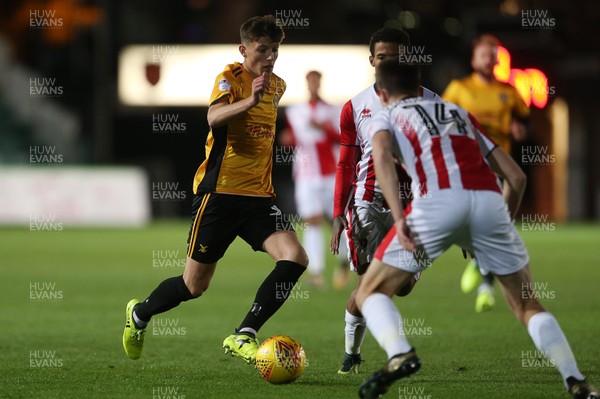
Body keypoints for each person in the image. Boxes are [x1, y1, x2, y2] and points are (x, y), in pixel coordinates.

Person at [355, 59, 597, 399]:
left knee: (369, 292)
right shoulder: (458, 113)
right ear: (419, 84)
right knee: (527, 304)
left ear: (381, 92)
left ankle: (400, 353)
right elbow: (516, 177)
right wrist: (493, 230)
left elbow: (381, 157)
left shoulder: (386, 113)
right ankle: (575, 380)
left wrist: (398, 217)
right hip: (489, 203)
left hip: (436, 203)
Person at [122, 15, 308, 365]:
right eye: (262, 49)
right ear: (244, 49)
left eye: (275, 50)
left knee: (295, 257)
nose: (269, 57)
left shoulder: (278, 85)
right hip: (219, 195)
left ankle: (245, 334)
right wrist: (249, 103)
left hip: (258, 198)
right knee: (194, 286)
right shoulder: (229, 78)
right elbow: (213, 118)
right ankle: (139, 314)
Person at [330, 27, 436, 374]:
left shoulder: (431, 102)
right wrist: (337, 212)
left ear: (408, 58)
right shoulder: (355, 107)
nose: (388, 62)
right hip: (369, 200)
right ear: (372, 60)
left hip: (415, 204)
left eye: (396, 56)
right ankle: (352, 354)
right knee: (368, 286)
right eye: (382, 57)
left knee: (401, 287)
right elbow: (346, 163)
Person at [442, 34, 530, 313]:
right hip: (467, 164)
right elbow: (441, 118)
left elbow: (523, 121)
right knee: (479, 222)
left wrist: (519, 129)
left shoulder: (509, 91)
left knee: (494, 224)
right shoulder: (459, 88)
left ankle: (483, 282)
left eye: (493, 54)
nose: (489, 59)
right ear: (473, 59)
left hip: (499, 164)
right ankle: (480, 269)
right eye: (484, 54)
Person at [280, 70, 349, 290]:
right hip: (306, 174)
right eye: (310, 81)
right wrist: (287, 139)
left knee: (337, 221)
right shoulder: (294, 112)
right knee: (312, 221)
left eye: (316, 81)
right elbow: (291, 138)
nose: (313, 85)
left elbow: (345, 139)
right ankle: (316, 272)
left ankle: (345, 261)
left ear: (320, 82)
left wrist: (325, 129)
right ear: (306, 83)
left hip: (332, 173)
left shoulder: (334, 110)